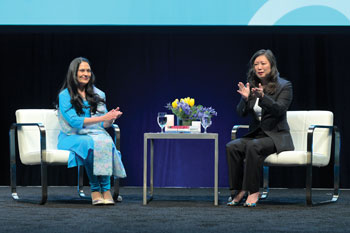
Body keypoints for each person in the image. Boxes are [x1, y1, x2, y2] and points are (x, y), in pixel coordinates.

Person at [226, 49, 294, 207]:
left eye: (263, 63)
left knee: (253, 145)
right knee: (232, 146)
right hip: (257, 135)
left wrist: (263, 97)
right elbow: (241, 113)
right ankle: (238, 191)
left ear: (272, 65)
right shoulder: (252, 85)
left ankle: (253, 191)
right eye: (256, 64)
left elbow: (279, 110)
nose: (259, 67)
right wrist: (244, 99)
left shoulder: (284, 86)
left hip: (276, 136)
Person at [57, 57, 126, 205]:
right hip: (71, 136)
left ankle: (106, 190)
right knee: (90, 143)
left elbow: (104, 125)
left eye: (88, 70)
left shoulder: (98, 94)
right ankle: (95, 190)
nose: (86, 73)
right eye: (82, 70)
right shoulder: (64, 95)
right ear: (74, 73)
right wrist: (103, 118)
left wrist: (111, 118)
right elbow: (74, 122)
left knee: (105, 140)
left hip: (95, 134)